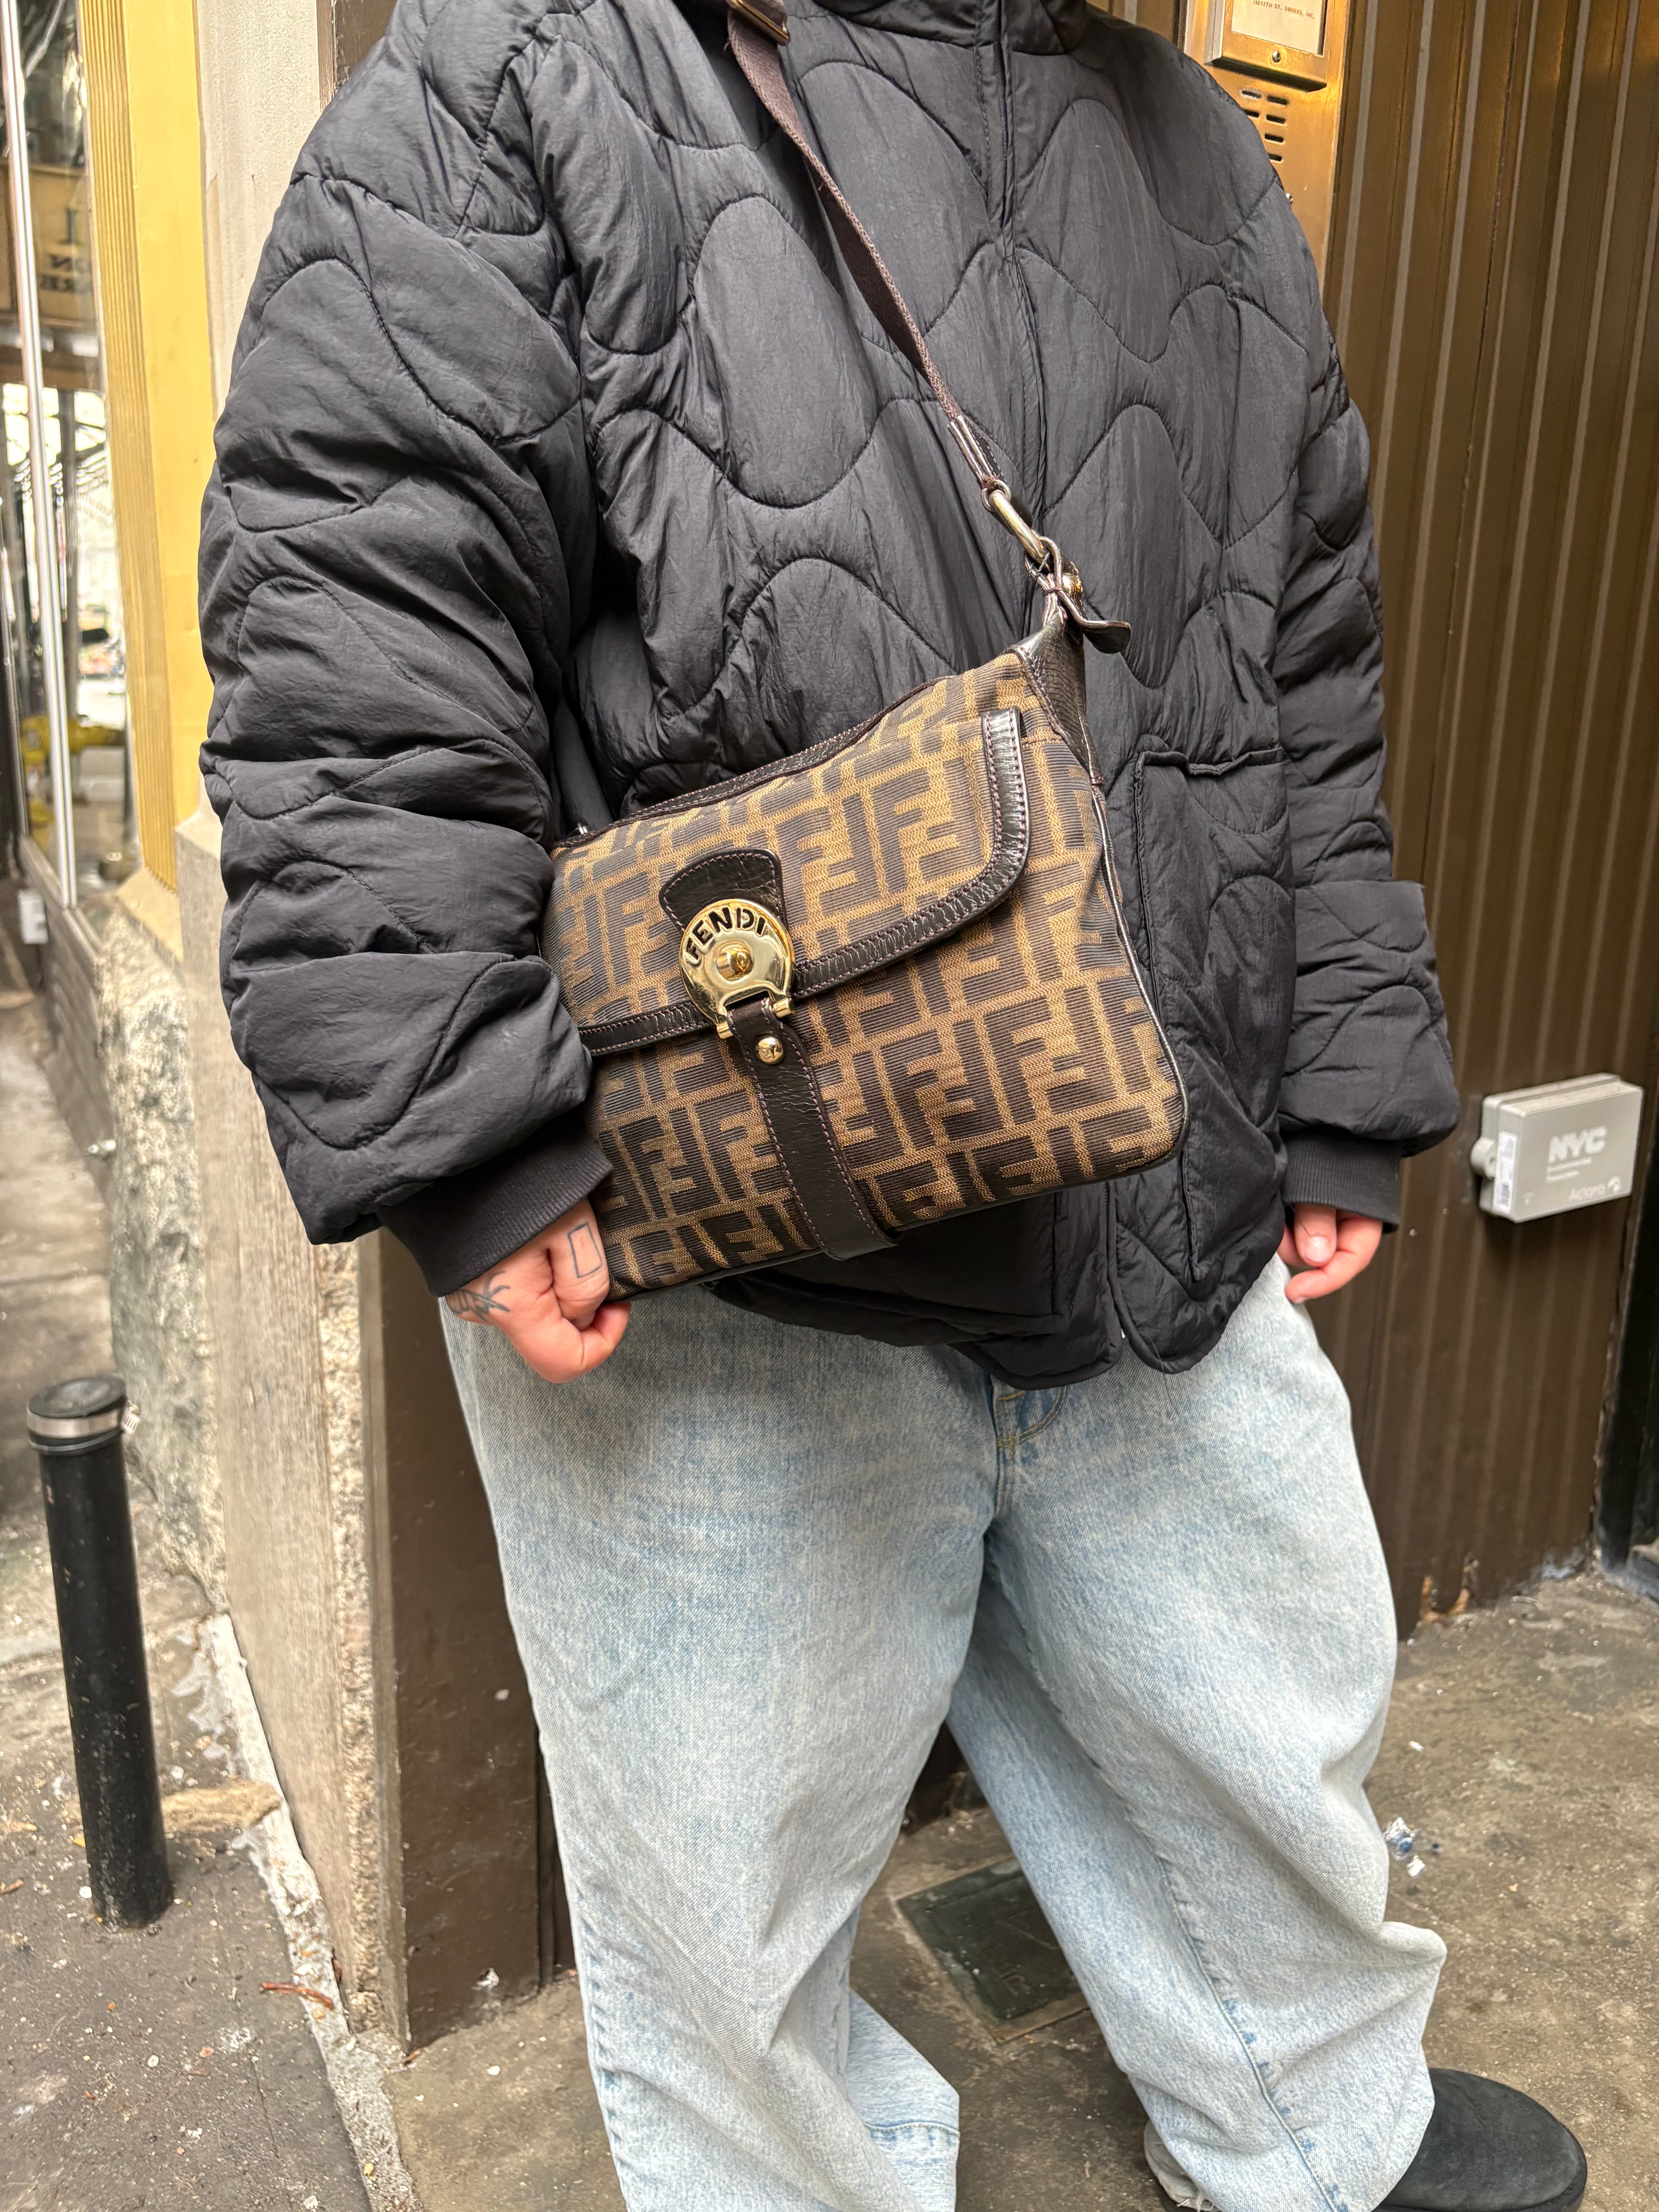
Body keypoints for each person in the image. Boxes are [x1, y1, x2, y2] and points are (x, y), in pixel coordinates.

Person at [198, 2, 1587, 2207]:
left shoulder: (1192, 138)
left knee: (1256, 1725)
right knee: (725, 1873)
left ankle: (1317, 2131)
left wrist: (1338, 1075)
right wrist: (471, 1143)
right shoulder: (529, 69)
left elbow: (1296, 659)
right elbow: (359, 633)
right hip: (721, 1224)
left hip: (1165, 1152)